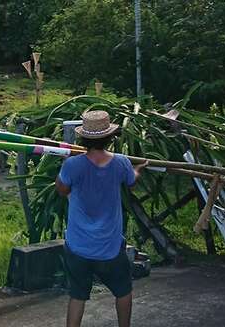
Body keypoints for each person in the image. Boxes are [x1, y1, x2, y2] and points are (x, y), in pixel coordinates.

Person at [55, 110, 148, 327]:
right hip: (110, 246)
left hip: (78, 246)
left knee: (77, 296)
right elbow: (132, 182)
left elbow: (61, 188)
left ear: (82, 138)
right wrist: (139, 169)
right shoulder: (122, 163)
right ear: (110, 138)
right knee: (123, 291)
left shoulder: (72, 165)